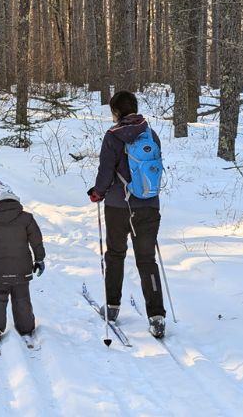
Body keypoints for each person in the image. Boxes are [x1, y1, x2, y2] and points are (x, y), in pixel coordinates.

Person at [87, 90, 166, 338]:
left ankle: (112, 307)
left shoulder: (113, 136)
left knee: (115, 255)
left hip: (118, 207)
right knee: (146, 260)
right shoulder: (150, 134)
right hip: (149, 204)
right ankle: (156, 316)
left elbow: (106, 171)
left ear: (117, 112)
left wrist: (97, 193)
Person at [0, 180, 46, 341]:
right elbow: (36, 241)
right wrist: (39, 259)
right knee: (22, 297)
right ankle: (26, 328)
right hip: (22, 269)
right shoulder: (27, 219)